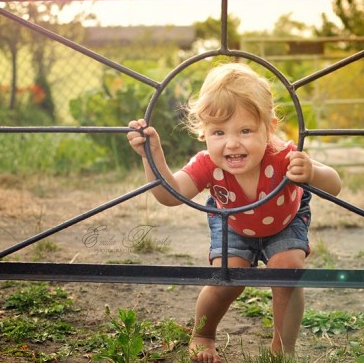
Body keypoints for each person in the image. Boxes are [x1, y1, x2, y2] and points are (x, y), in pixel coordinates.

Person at [127, 62, 342, 362]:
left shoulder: (282, 156)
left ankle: (283, 348)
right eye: (218, 132)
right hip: (233, 223)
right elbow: (170, 194)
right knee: (227, 277)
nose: (232, 143)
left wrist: (312, 173)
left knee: (288, 270)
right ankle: (203, 334)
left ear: (269, 128)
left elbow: (335, 185)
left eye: (245, 130)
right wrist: (153, 156)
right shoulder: (207, 165)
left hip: (284, 220)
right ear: (203, 133)